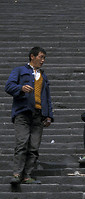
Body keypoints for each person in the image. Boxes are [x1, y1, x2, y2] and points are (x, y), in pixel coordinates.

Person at [5, 47, 53, 185]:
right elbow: (8, 86)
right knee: (22, 143)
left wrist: (49, 115)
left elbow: (47, 97)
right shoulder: (20, 71)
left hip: (38, 115)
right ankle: (17, 174)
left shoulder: (43, 76)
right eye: (41, 57)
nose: (43, 60)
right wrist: (20, 88)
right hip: (23, 113)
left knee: (34, 146)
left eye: (44, 58)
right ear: (32, 56)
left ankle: (27, 175)